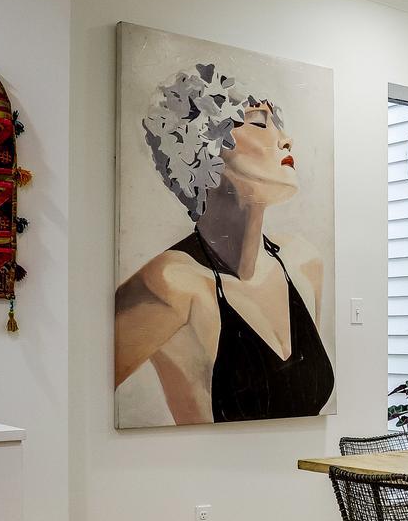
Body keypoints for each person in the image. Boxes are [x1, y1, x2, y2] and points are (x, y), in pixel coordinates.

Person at [115, 63, 334, 424]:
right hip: (210, 475)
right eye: (260, 123)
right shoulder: (171, 284)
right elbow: (82, 391)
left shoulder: (303, 263)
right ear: (202, 144)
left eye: (278, 123)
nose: (285, 139)